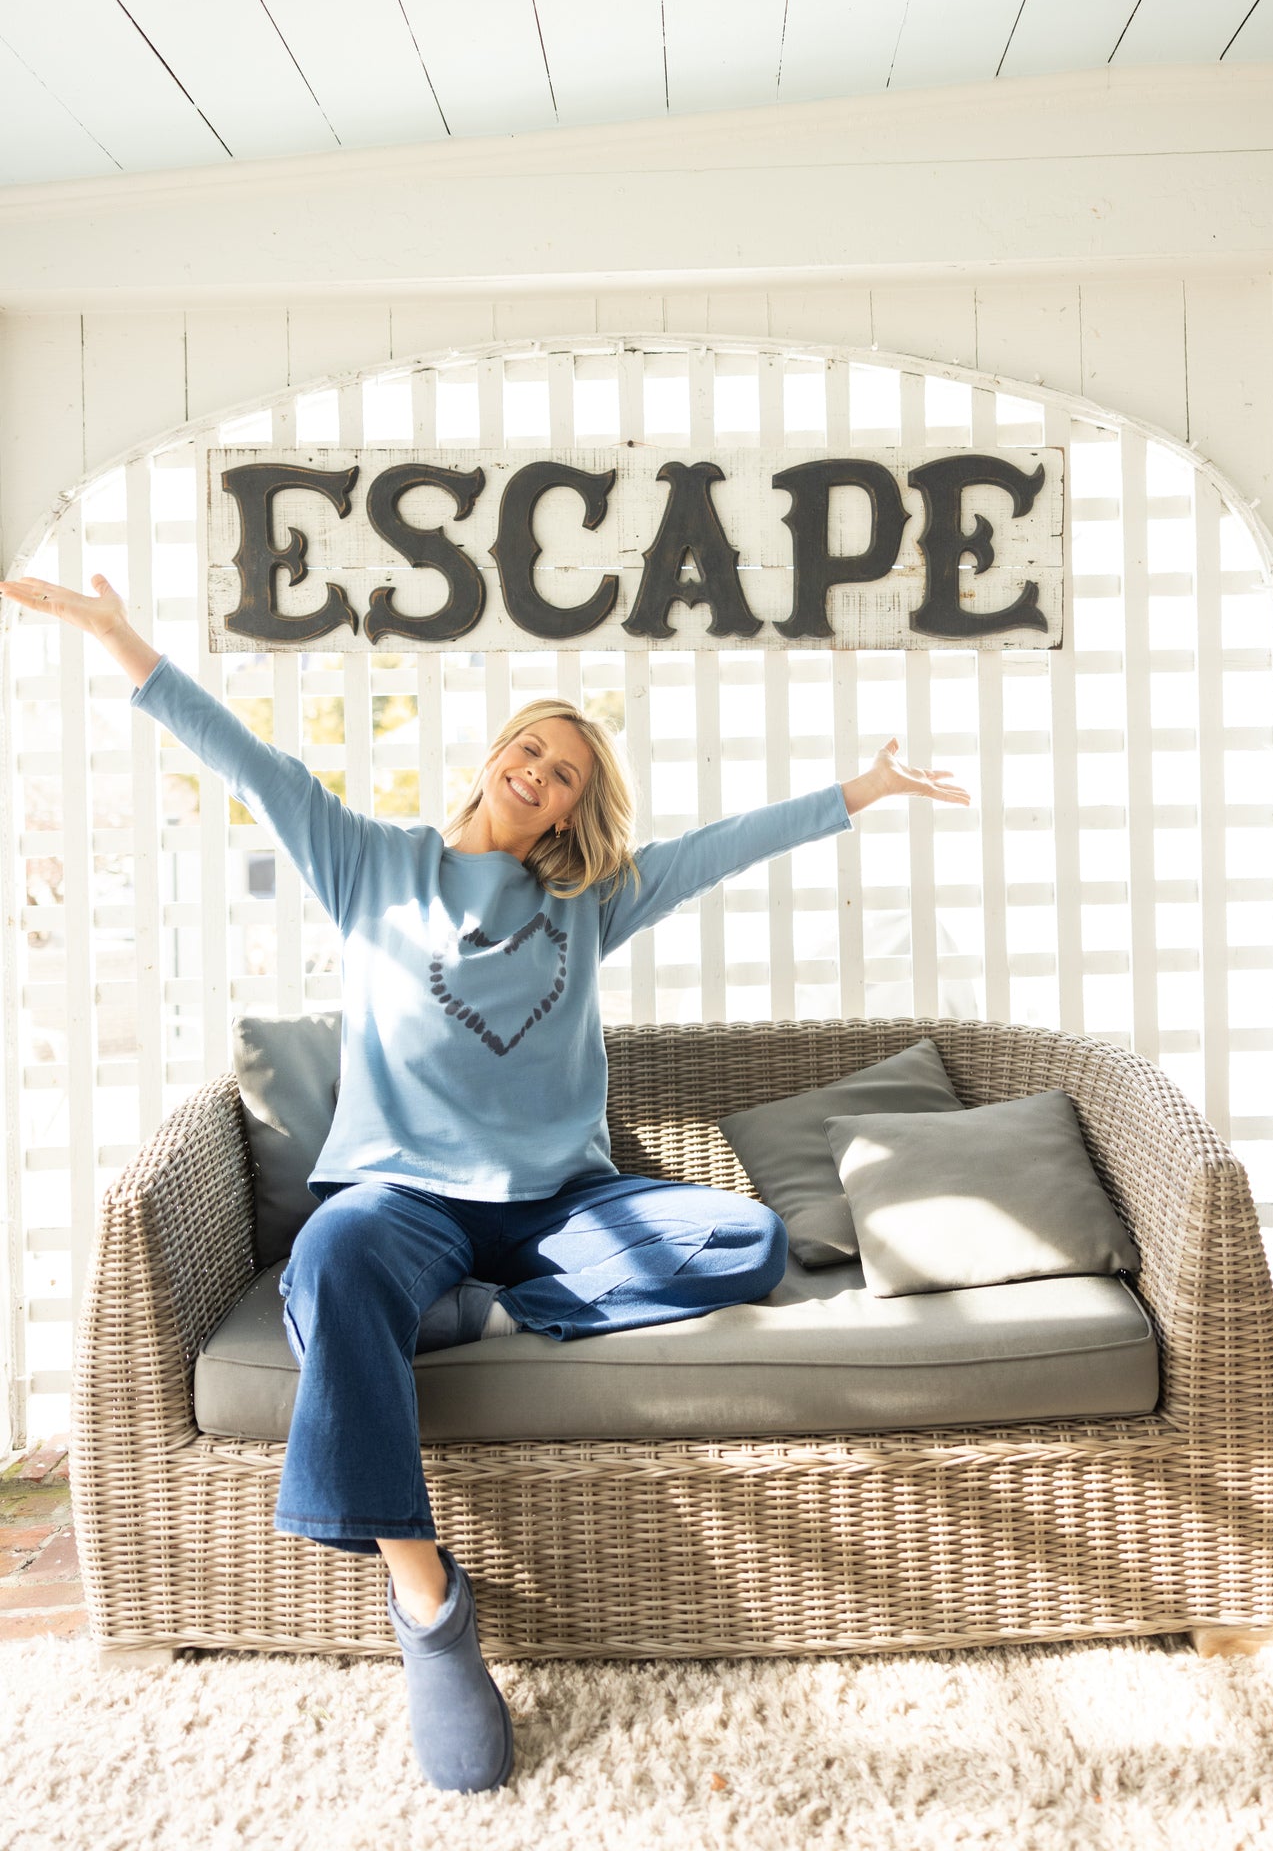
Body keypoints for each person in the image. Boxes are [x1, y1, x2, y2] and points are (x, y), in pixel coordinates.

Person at [0, 569, 970, 1794]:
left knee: (747, 1241)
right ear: (493, 755)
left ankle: (486, 1311)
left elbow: (719, 850)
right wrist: (123, 641)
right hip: (400, 1202)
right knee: (336, 1256)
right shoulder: (371, 866)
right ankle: (430, 1605)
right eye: (527, 746)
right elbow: (248, 761)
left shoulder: (586, 901)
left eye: (563, 770)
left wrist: (861, 790)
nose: (538, 771)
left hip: (561, 1212)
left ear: (574, 810)